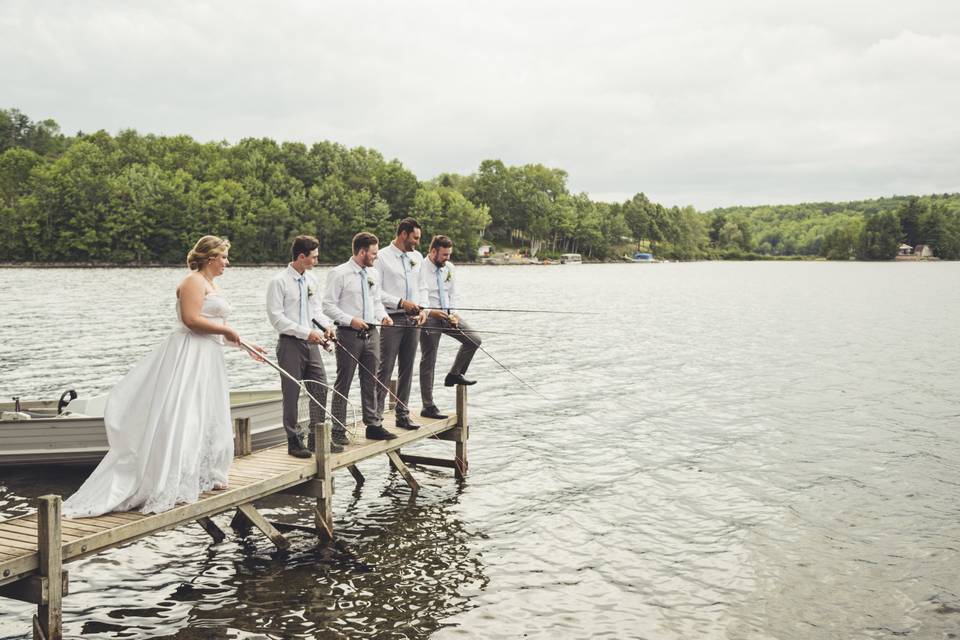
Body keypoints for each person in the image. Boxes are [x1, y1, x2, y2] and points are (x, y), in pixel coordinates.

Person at [63, 235, 264, 518]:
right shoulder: (193, 281)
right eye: (224, 258)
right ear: (210, 258)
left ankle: (204, 473)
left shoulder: (211, 284)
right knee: (184, 413)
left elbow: (218, 325)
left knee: (207, 413)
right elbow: (191, 320)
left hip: (208, 356)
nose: (227, 263)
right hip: (189, 356)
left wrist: (245, 344)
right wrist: (225, 332)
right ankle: (166, 477)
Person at [266, 235, 341, 458]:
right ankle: (293, 440)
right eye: (314, 257)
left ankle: (316, 438)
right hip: (290, 343)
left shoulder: (311, 280)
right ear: (301, 256)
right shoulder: (278, 282)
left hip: (313, 343)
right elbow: (276, 319)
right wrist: (305, 332)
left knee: (320, 386)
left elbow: (316, 311)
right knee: (291, 392)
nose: (317, 261)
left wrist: (327, 326)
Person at [322, 232, 396, 441]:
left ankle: (373, 425)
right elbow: (327, 306)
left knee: (371, 380)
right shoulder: (339, 273)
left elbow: (376, 301)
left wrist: (383, 316)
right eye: (373, 253)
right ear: (362, 252)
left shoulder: (373, 274)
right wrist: (350, 320)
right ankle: (337, 429)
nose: (376, 257)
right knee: (343, 381)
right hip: (348, 334)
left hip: (372, 333)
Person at [419, 235, 481, 420]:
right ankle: (428, 406)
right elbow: (417, 296)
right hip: (429, 316)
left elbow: (453, 294)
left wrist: (453, 313)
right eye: (444, 255)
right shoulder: (420, 268)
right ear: (433, 252)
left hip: (448, 316)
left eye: (449, 254)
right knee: (429, 359)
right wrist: (431, 312)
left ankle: (454, 374)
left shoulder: (450, 268)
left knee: (474, 340)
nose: (448, 258)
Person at [374, 217, 428, 430]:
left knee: (407, 368)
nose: (417, 242)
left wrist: (423, 308)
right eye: (415, 238)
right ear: (403, 234)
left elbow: (423, 286)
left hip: (414, 320)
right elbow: (375, 291)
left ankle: (402, 414)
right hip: (391, 319)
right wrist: (400, 303)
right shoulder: (382, 257)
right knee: (385, 368)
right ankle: (375, 417)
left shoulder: (418, 257)